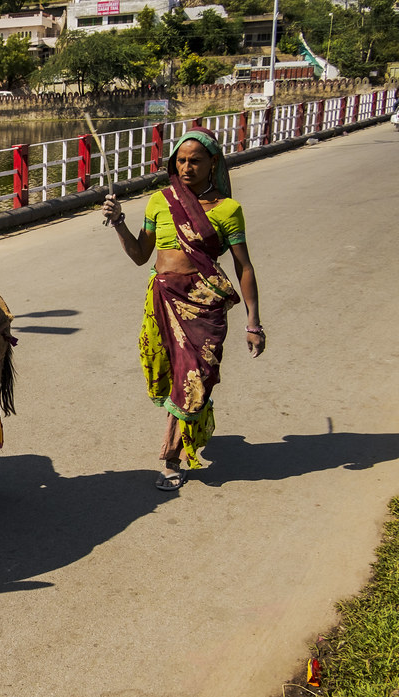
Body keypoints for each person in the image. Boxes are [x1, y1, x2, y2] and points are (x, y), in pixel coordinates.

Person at [101, 127, 265, 491]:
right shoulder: (160, 201)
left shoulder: (228, 210)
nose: (187, 167)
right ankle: (183, 436)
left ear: (213, 164)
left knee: (195, 378)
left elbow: (244, 267)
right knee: (170, 376)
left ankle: (173, 456)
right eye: (181, 161)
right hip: (162, 300)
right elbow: (140, 256)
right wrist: (118, 222)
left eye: (196, 161)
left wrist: (253, 321)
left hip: (204, 305)